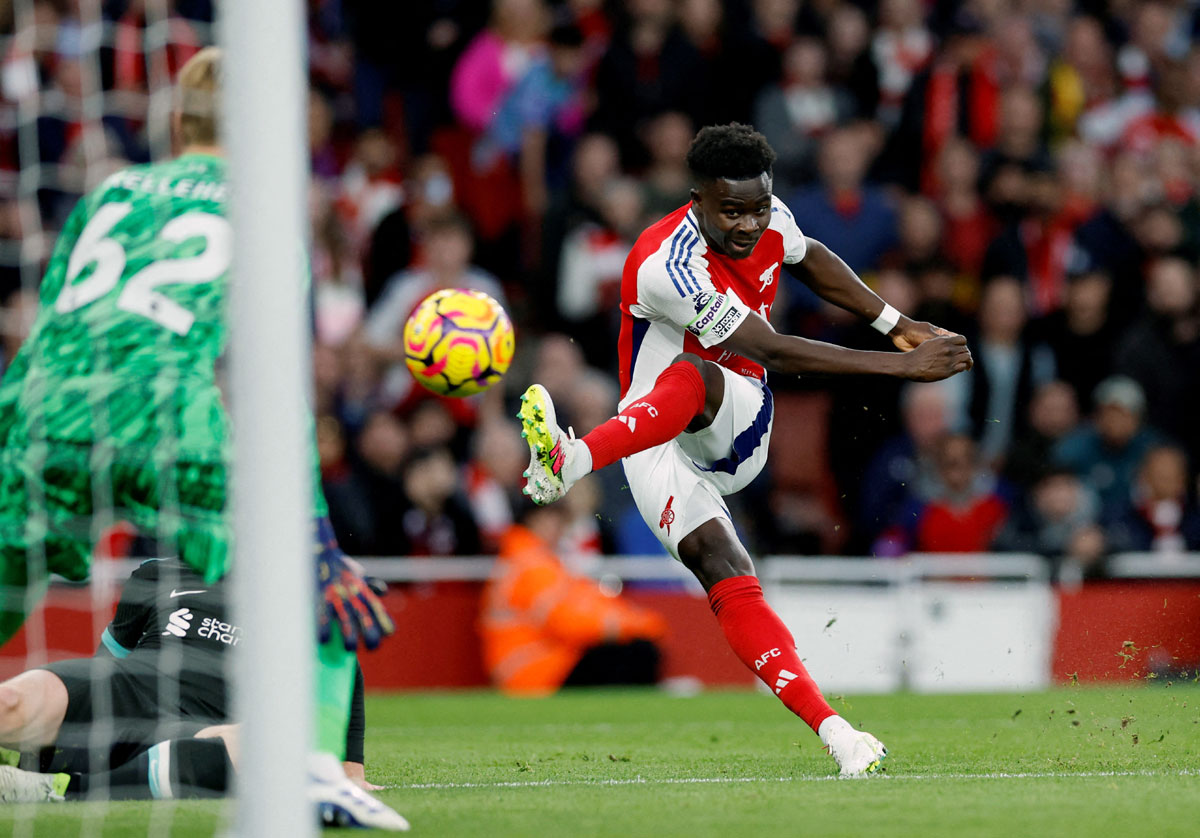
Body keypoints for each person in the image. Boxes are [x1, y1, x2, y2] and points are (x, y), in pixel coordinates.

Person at [0, 49, 404, 830]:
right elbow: (278, 388)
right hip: (161, 411)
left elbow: (52, 321)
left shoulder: (113, 191)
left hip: (48, 408)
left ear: (178, 123)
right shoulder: (264, 219)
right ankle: (312, 766)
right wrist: (320, 537)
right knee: (315, 590)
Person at [518, 123, 972, 777]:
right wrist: (902, 367)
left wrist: (895, 325)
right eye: (731, 210)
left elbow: (808, 254)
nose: (749, 223)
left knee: (693, 377)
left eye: (758, 206)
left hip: (735, 419)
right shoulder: (665, 265)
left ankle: (572, 461)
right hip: (650, 440)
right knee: (724, 571)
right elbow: (777, 346)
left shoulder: (767, 216)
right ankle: (840, 735)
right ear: (697, 199)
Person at [0, 557, 375, 801]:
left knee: (267, 743)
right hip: (122, 695)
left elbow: (344, 667)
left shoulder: (303, 598)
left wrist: (350, 771)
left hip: (197, 733)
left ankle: (59, 791)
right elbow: (105, 665)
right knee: (9, 703)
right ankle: (32, 770)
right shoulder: (156, 572)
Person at [480, 500, 666, 695]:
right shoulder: (531, 565)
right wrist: (632, 625)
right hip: (535, 671)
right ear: (535, 520)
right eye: (555, 521)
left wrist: (631, 621)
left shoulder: (531, 559)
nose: (560, 529)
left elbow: (588, 602)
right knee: (635, 652)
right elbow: (566, 622)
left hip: (534, 665)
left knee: (630, 650)